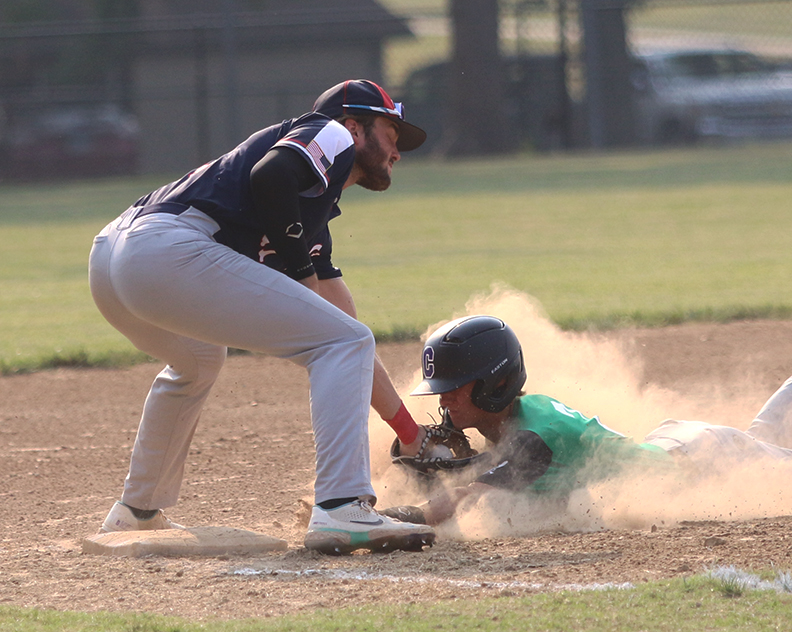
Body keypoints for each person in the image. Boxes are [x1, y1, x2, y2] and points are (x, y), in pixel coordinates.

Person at [88, 79, 434, 555]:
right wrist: (298, 269)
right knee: (340, 343)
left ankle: (137, 509)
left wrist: (409, 433)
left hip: (116, 258)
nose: (398, 150)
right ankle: (341, 507)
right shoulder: (329, 133)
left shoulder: (311, 215)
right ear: (355, 127)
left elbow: (351, 336)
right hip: (163, 249)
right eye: (391, 132)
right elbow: (269, 176)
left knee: (200, 361)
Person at [383, 315, 792, 526]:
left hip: (708, 459)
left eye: (456, 385)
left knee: (771, 455)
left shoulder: (534, 439)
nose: (444, 396)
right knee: (760, 438)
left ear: (498, 381)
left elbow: (462, 497)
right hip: (678, 444)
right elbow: (455, 471)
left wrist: (392, 519)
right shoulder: (506, 421)